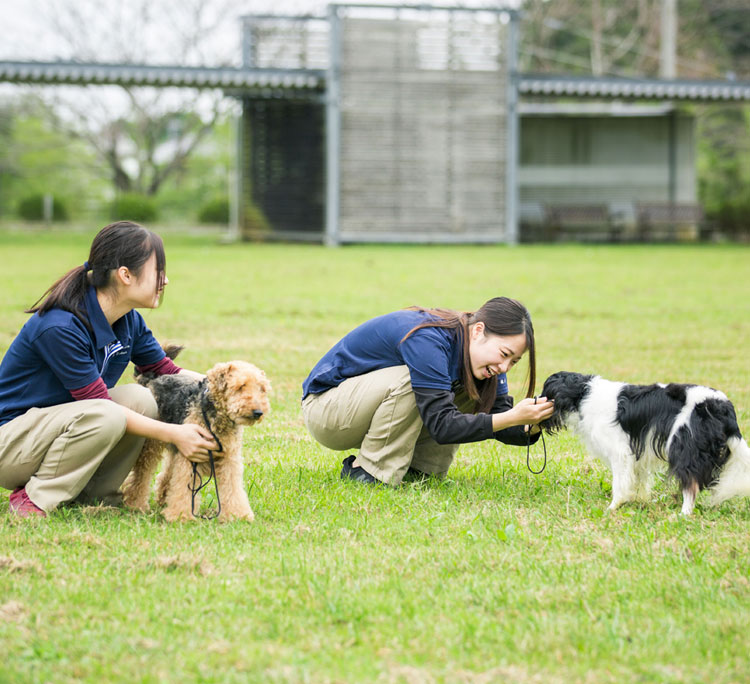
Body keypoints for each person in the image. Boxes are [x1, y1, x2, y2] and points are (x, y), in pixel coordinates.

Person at [0, 221, 217, 518]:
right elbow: (99, 405)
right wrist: (176, 434)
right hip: (11, 444)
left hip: (60, 430)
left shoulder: (129, 320)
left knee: (142, 399)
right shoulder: (60, 326)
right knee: (108, 412)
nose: (165, 281)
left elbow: (166, 371)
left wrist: (223, 387)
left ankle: (95, 497)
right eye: (159, 271)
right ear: (125, 275)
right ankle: (33, 498)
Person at [302, 297, 555, 486]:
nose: (504, 367)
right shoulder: (429, 339)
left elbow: (499, 417)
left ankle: (421, 471)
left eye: (514, 362)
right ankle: (369, 472)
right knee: (411, 380)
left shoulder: (483, 363)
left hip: (363, 410)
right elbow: (443, 425)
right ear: (478, 331)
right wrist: (512, 416)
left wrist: (532, 422)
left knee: (463, 387)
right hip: (327, 410)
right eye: (504, 354)